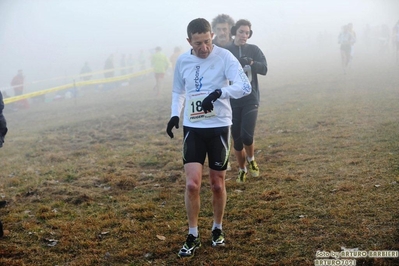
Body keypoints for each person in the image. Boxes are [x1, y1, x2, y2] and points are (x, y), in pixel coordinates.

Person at [166, 18, 251, 258]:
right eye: (198, 43)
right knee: (192, 184)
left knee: (216, 184)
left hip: (218, 127)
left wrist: (219, 93)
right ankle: (192, 234)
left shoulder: (224, 57)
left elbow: (244, 87)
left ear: (212, 35)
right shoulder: (183, 60)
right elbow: (178, 91)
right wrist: (175, 115)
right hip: (193, 128)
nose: (204, 48)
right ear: (188, 41)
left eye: (207, 41)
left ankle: (217, 228)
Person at [225, 19, 268, 182]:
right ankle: (242, 169)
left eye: (247, 33)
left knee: (246, 136)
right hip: (232, 100)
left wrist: (251, 62)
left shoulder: (254, 49)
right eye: (241, 32)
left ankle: (251, 160)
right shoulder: (226, 50)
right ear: (235, 31)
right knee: (236, 140)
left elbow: (264, 69)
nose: (244, 35)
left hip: (250, 98)